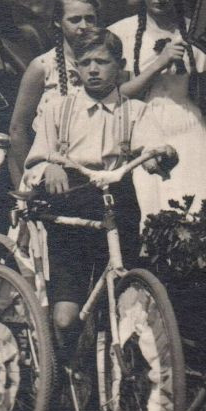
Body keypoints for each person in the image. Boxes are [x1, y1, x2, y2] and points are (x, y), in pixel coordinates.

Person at [20, 29, 152, 344]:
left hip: (116, 203)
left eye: (102, 62)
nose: (93, 69)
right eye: (86, 62)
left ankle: (113, 373)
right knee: (65, 319)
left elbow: (153, 148)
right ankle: (65, 373)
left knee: (122, 308)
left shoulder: (133, 110)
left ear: (119, 66)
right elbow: (34, 162)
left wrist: (161, 157)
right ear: (76, 68)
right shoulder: (58, 109)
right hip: (70, 208)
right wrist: (50, 166)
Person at [109, 0, 206, 219]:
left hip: (189, 128)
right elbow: (119, 94)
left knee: (198, 210)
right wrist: (159, 63)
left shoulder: (194, 34)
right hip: (145, 131)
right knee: (155, 211)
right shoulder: (121, 32)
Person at [8, 0, 103, 186]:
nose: (84, 25)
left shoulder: (106, 66)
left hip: (94, 174)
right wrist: (32, 177)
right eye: (75, 19)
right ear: (58, 22)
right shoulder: (43, 66)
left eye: (90, 18)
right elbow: (17, 129)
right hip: (48, 175)